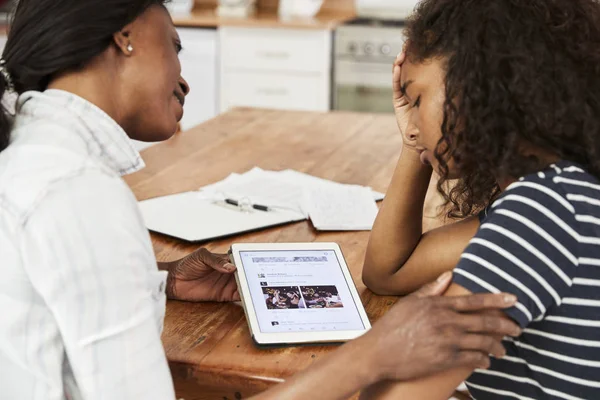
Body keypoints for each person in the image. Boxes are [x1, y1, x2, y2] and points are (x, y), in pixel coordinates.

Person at [0, 1, 522, 399]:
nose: (183, 79)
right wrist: (373, 355)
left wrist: (157, 280)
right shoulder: (79, 191)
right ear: (125, 35)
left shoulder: (37, 156)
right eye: (176, 46)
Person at [361, 0, 600, 399]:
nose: (414, 123)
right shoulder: (566, 196)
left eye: (417, 100)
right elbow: (389, 271)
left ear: (475, 86)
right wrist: (413, 141)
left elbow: (389, 397)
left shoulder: (541, 217)